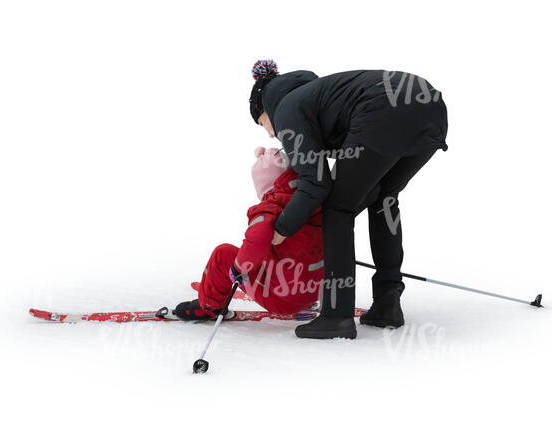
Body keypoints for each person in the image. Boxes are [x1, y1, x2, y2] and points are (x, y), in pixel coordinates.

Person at [249, 59, 448, 339]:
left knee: (338, 209)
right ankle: (387, 304)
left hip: (384, 112)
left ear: (265, 107)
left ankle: (336, 315)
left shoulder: (287, 108)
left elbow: (316, 184)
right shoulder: (320, 94)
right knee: (384, 199)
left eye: (262, 123)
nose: (271, 134)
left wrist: (282, 228)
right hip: (431, 108)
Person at [174, 147, 324, 320]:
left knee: (223, 255)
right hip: (313, 290)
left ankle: (209, 307)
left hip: (283, 300)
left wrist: (238, 269)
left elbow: (258, 239)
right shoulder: (312, 200)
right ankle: (306, 300)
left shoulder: (270, 209)